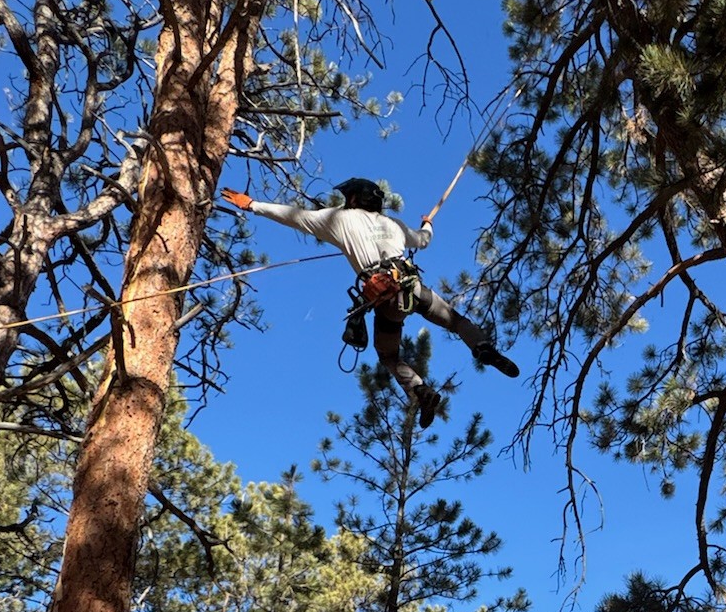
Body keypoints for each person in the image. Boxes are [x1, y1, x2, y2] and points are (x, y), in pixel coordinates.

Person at [221, 177, 518, 428]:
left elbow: (294, 216)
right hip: (413, 287)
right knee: (456, 321)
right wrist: (428, 225)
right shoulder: (394, 224)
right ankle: (483, 347)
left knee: (389, 356)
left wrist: (253, 205)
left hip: (386, 298)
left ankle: (420, 391)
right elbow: (423, 240)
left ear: (353, 199)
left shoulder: (338, 218)